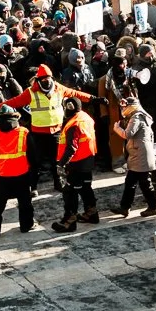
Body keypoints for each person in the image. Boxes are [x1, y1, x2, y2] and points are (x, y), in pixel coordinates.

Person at [0, 107, 36, 237]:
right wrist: (33, 175)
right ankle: (26, 225)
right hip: (21, 174)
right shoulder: (24, 133)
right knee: (25, 202)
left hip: (1, 176)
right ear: (16, 118)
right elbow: (33, 156)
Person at [52, 98, 101, 232]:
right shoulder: (86, 117)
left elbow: (71, 148)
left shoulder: (73, 124)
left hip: (76, 163)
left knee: (70, 191)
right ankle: (91, 212)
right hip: (88, 159)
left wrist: (61, 164)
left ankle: (69, 221)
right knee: (85, 187)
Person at [114, 99, 156, 218]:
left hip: (140, 155)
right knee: (131, 182)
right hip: (139, 154)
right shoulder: (140, 116)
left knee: (144, 183)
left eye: (125, 106)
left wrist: (117, 128)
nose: (123, 109)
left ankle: (153, 207)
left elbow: (127, 134)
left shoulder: (136, 118)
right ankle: (125, 207)